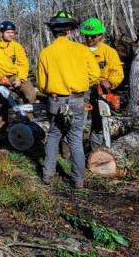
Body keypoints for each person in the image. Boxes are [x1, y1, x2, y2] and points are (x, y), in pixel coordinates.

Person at [37, 11, 100, 189]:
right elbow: (95, 75)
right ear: (70, 31)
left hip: (55, 101)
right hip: (77, 100)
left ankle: (47, 175)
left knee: (53, 135)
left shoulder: (46, 53)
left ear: (53, 32)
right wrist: (80, 83)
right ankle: (78, 180)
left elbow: (41, 84)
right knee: (75, 139)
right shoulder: (82, 50)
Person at [0, 20, 36, 130]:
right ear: (1, 33)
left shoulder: (17, 47)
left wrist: (20, 79)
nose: (11, 34)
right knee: (2, 105)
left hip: (16, 75)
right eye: (8, 32)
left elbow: (23, 64)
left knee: (31, 94)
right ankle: (0, 131)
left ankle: (30, 123)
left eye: (13, 32)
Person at [79, 17, 124, 150]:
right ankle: (72, 152)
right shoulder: (78, 51)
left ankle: (95, 151)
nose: (89, 39)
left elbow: (117, 72)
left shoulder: (109, 52)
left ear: (100, 35)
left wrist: (110, 82)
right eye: (86, 36)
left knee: (99, 123)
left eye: (92, 36)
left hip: (101, 90)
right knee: (78, 122)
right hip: (82, 90)